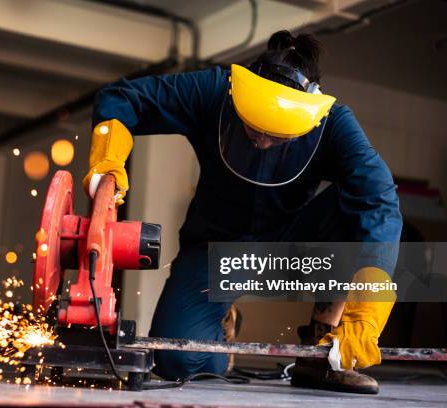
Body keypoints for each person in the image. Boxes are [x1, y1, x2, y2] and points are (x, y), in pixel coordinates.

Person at [83, 30, 402, 394]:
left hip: (291, 247)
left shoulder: (333, 123)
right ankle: (222, 320)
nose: (262, 141)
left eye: (277, 136)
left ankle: (323, 345)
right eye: (254, 127)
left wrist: (368, 314)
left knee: (364, 201)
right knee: (178, 362)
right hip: (215, 249)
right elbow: (122, 97)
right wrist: (109, 162)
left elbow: (381, 201)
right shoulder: (217, 90)